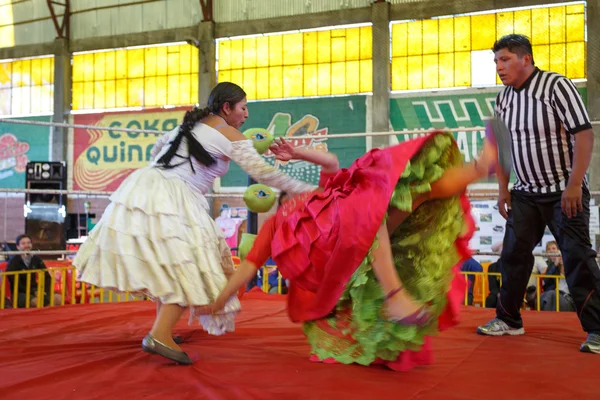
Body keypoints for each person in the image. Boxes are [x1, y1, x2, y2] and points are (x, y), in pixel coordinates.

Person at [203, 124, 504, 370]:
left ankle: (480, 167)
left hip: (350, 233)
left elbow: (332, 162)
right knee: (369, 218)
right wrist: (219, 302)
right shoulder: (275, 226)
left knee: (414, 194)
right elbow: (248, 267)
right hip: (329, 254)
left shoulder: (321, 194)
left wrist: (296, 152)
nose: (284, 201)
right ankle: (395, 297)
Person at [73, 82, 316, 365]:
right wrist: (305, 189)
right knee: (190, 265)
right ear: (227, 108)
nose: (246, 114)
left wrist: (163, 177)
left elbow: (158, 147)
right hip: (175, 196)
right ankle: (159, 335)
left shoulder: (190, 125)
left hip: (145, 186)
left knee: (172, 262)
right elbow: (263, 172)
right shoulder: (229, 134)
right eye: (243, 108)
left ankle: (162, 329)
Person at [476, 34, 600, 354]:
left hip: (564, 193)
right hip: (525, 194)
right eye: (496, 62)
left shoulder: (556, 86)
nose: (499, 67)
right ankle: (509, 319)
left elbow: (584, 135)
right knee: (513, 256)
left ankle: (598, 330)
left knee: (577, 258)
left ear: (526, 59)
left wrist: (574, 184)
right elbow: (502, 147)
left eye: (505, 60)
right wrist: (503, 189)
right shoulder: (503, 99)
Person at [6, 234, 62, 308]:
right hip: (20, 292)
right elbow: (16, 284)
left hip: (35, 289)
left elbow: (47, 277)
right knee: (37, 302)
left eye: (28, 243)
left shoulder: (36, 258)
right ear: (17, 247)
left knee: (59, 299)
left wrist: (45, 290)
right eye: (23, 243)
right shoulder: (13, 262)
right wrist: (34, 292)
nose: (27, 245)